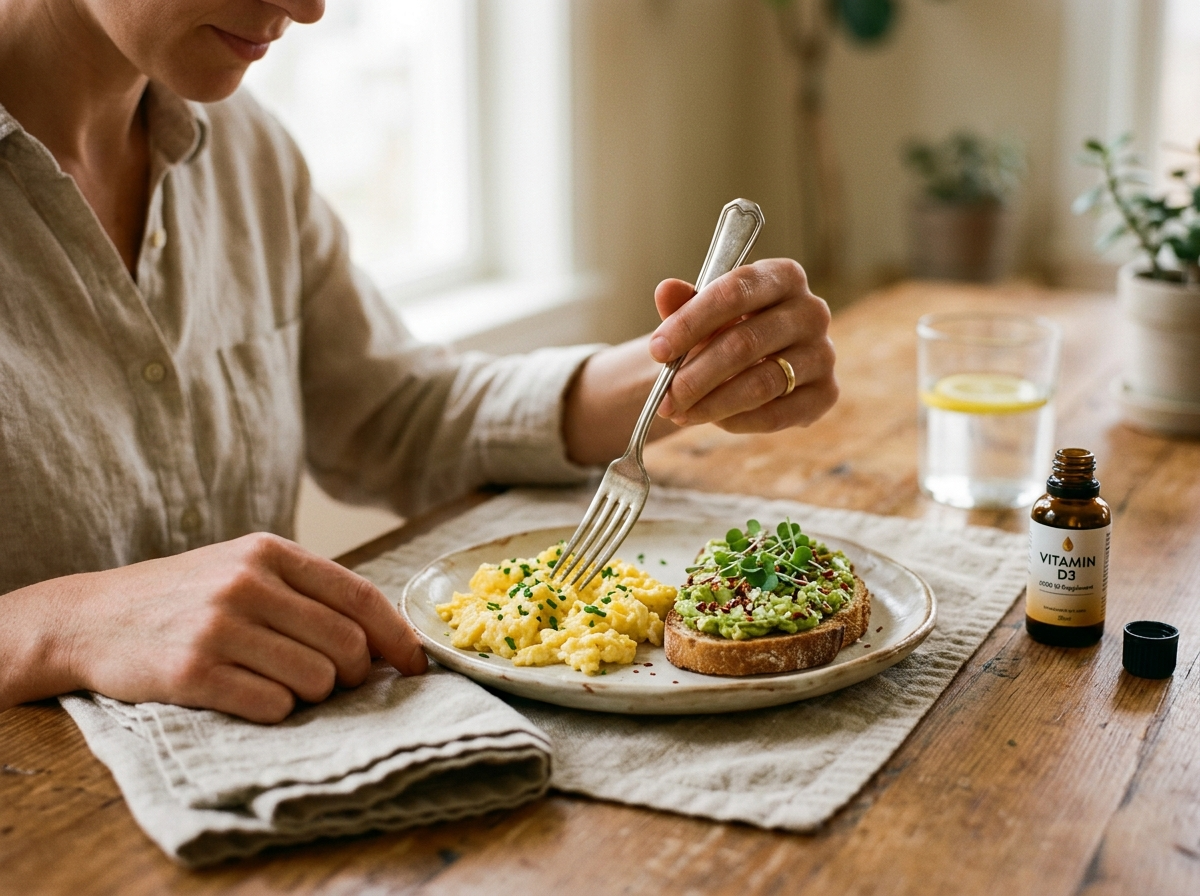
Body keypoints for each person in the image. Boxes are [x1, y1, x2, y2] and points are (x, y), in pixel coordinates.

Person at [0, 0, 838, 723]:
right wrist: (62, 625)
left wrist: (681, 372)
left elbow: (392, 415)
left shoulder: (245, 148)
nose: (308, 9)